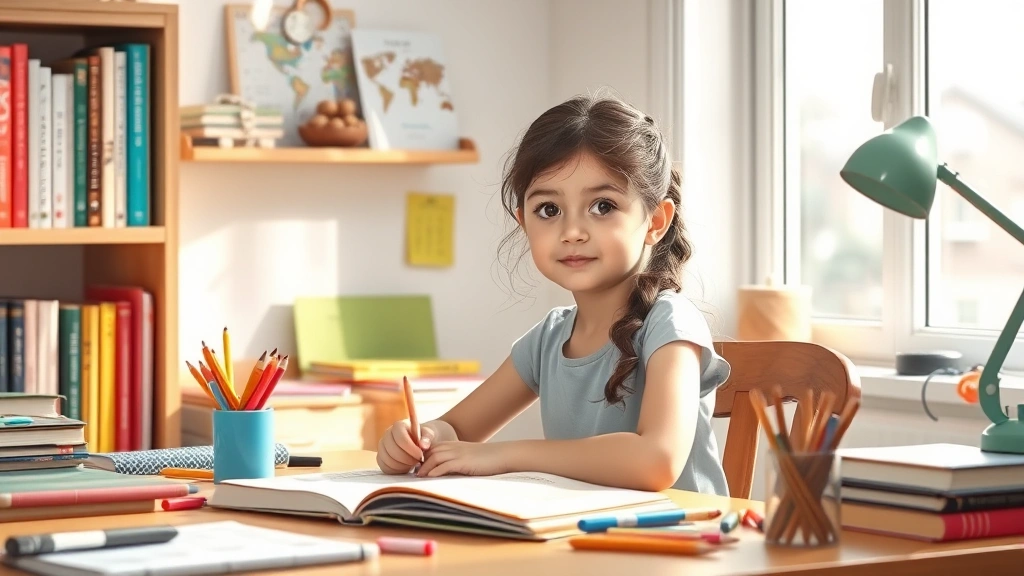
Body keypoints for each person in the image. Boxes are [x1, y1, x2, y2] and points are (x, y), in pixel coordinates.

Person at [375, 92, 732, 495]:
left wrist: (506, 455)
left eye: (602, 206)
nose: (572, 231)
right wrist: (418, 439)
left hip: (682, 546)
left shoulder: (670, 322)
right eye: (548, 210)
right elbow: (457, 428)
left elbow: (656, 461)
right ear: (524, 222)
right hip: (588, 543)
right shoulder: (549, 339)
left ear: (655, 221)